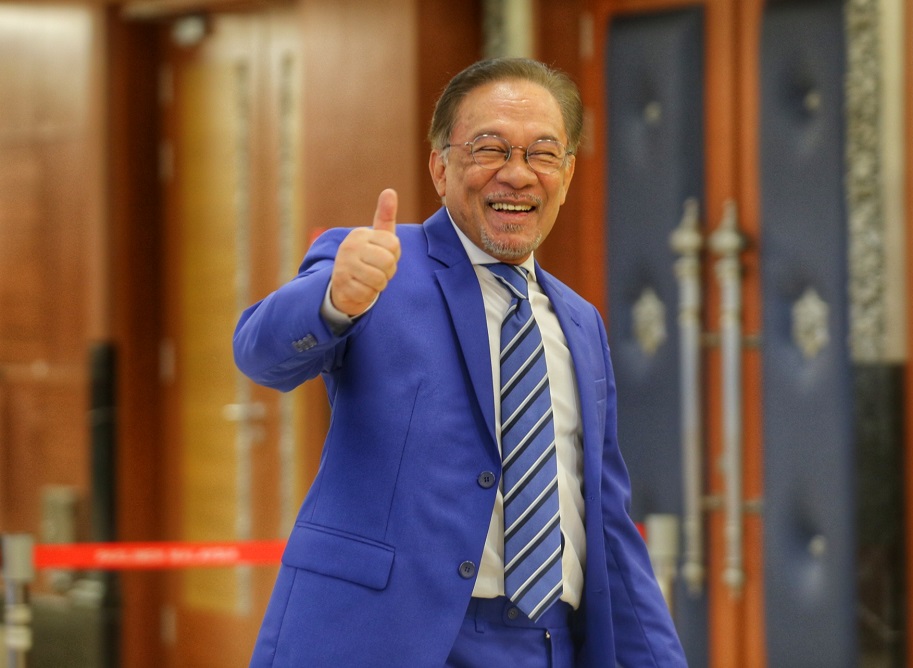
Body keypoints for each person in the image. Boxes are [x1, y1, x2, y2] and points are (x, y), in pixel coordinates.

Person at [234, 57, 687, 667]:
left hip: (543, 643)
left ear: (569, 173)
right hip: (381, 639)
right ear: (439, 167)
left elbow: (603, 519)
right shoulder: (376, 266)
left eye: (542, 154)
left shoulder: (580, 321)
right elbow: (261, 354)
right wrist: (332, 300)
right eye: (489, 149)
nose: (517, 175)